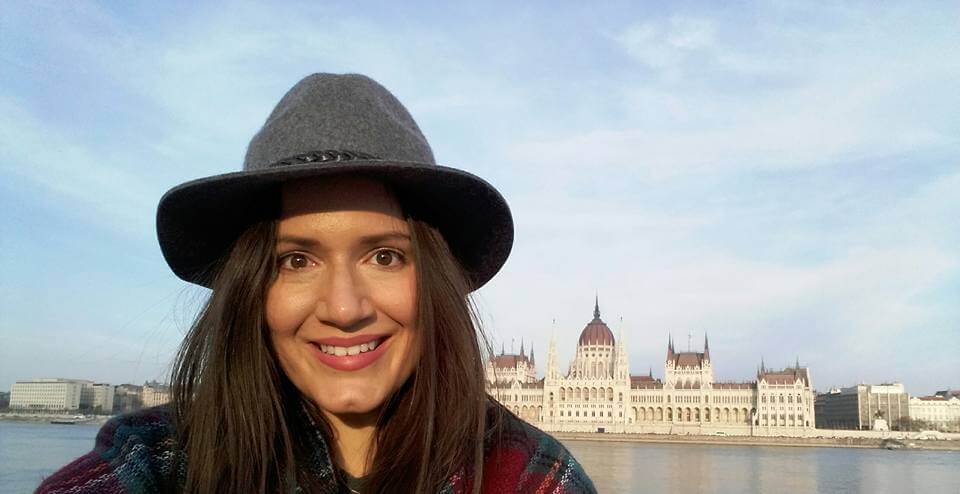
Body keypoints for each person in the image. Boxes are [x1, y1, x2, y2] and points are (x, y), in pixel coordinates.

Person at [37, 73, 596, 493]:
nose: (344, 308)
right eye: (296, 261)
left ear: (436, 283)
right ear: (250, 289)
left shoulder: (527, 477)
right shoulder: (159, 464)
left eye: (385, 256)